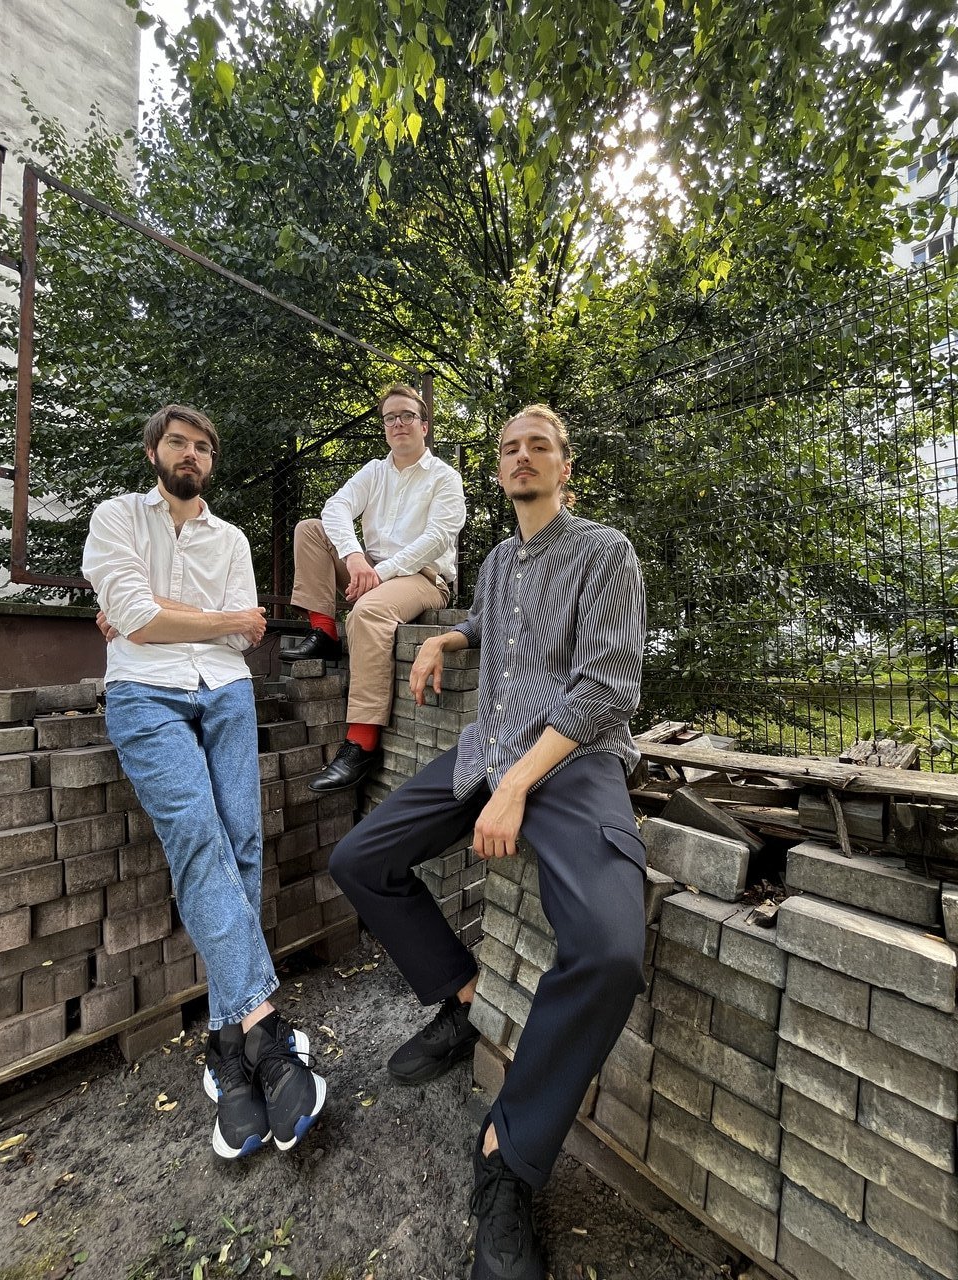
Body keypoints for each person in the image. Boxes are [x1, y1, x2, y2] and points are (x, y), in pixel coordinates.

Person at [330, 405, 647, 1279]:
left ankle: (509, 1152)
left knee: (611, 952)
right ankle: (464, 1000)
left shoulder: (606, 551)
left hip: (571, 764)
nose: (521, 456)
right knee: (360, 860)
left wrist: (516, 786)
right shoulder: (502, 561)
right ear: (498, 470)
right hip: (488, 751)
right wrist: (451, 632)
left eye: (538, 445)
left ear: (565, 466)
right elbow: (502, 625)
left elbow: (607, 687)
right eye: (509, 448)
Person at [82, 404, 326, 1161]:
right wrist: (206, 618)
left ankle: (226, 1048)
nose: (191, 454)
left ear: (211, 461)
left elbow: (242, 634)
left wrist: (163, 615)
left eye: (202, 447)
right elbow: (139, 619)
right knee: (196, 835)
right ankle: (265, 1032)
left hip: (224, 692)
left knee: (241, 845)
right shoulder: (116, 519)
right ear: (153, 451)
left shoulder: (233, 539)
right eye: (178, 442)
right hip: (144, 694)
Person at [284, 383, 466, 793]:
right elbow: (336, 508)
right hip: (369, 569)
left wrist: (380, 574)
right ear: (385, 428)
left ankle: (361, 743)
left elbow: (437, 538)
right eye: (390, 418)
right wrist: (353, 557)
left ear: (423, 425)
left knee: (367, 613)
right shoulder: (374, 471)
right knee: (309, 530)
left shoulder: (444, 477)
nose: (398, 423)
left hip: (423, 578)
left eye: (407, 416)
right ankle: (324, 633)